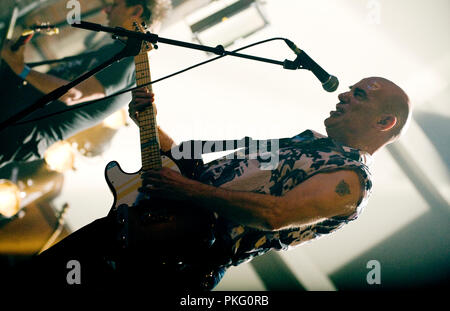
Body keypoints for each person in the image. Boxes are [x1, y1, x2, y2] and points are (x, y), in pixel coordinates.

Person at [2, 76, 411, 293]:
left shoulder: (350, 180)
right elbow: (196, 173)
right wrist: (151, 123)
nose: (343, 95)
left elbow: (274, 216)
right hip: (132, 229)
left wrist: (185, 191)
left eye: (359, 95)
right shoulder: (306, 143)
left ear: (383, 122)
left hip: (170, 263)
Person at [0, 0, 172, 168]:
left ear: (136, 12)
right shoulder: (115, 49)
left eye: (115, 5)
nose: (106, 10)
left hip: (26, 129)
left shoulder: (130, 62)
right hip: (20, 112)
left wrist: (20, 68)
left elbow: (73, 94)